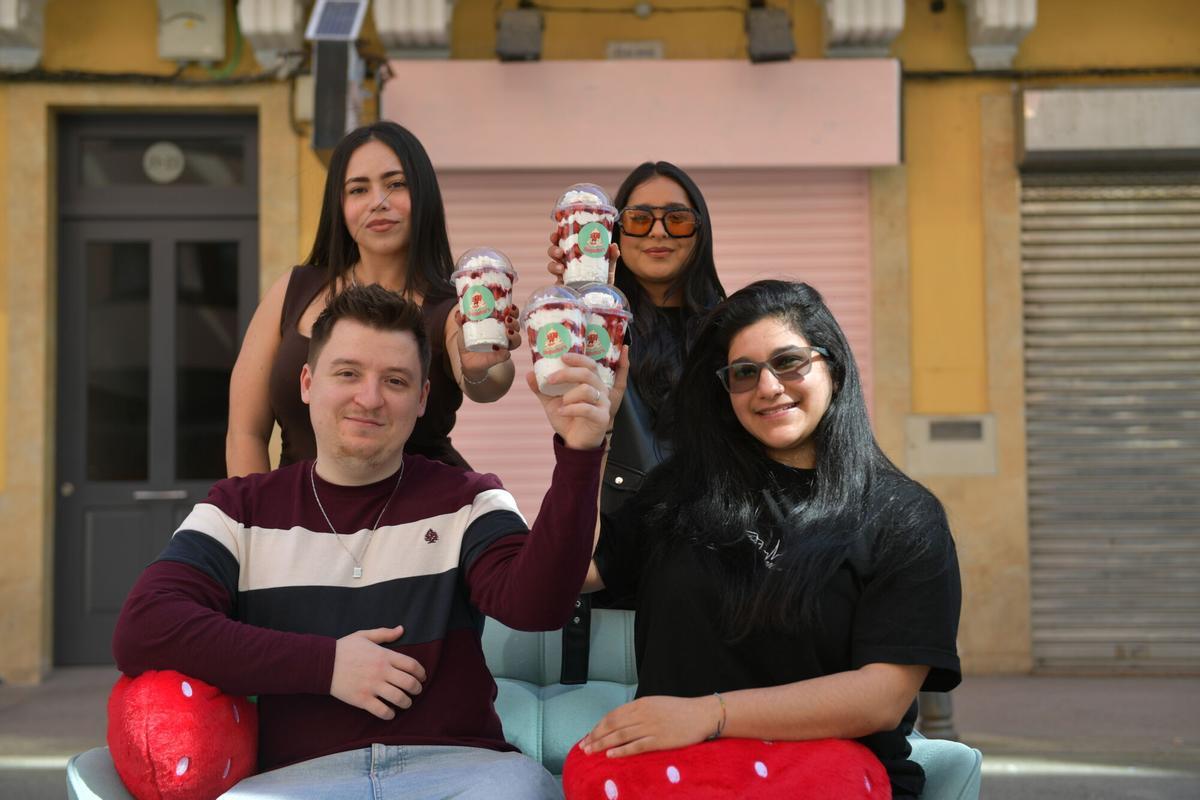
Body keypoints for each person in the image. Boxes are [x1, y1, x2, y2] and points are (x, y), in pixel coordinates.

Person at [114, 285, 619, 798]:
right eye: (348, 373)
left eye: (395, 380)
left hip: (464, 772)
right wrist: (326, 665)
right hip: (299, 779)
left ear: (422, 399)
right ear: (308, 382)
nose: (370, 398)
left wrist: (580, 453)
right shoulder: (239, 509)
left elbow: (538, 607)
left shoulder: (469, 499)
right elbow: (145, 626)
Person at [576, 281, 962, 798]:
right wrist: (582, 446)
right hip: (676, 778)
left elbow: (881, 698)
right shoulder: (678, 494)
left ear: (834, 367)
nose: (769, 386)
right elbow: (570, 576)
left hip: (832, 778)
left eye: (789, 362)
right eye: (744, 373)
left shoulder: (904, 516)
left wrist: (708, 715)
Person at [227, 121, 517, 477]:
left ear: (422, 194)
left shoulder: (453, 307)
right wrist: (253, 523)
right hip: (299, 522)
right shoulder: (293, 290)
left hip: (423, 521)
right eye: (358, 189)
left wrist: (481, 367)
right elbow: (245, 433)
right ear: (340, 205)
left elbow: (489, 381)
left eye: (396, 184)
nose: (378, 202)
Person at [548, 162, 726, 681]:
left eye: (678, 219)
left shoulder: (731, 329)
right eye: (639, 218)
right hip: (610, 567)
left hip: (707, 564)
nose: (658, 233)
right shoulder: (592, 325)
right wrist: (583, 287)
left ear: (701, 230)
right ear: (613, 230)